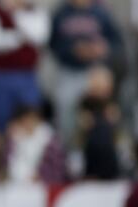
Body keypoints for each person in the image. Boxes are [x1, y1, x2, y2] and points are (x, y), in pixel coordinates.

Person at [49, 0, 122, 149]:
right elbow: (53, 44)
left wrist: (102, 48)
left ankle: (105, 153)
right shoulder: (61, 13)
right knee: (66, 113)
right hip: (69, 71)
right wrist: (73, 49)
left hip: (95, 71)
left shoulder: (101, 12)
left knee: (102, 115)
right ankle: (68, 154)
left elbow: (116, 42)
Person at [0, 0, 50, 131]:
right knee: (0, 117)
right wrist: (17, 38)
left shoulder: (35, 12)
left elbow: (39, 37)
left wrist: (15, 17)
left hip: (28, 75)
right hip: (0, 75)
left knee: (31, 116)